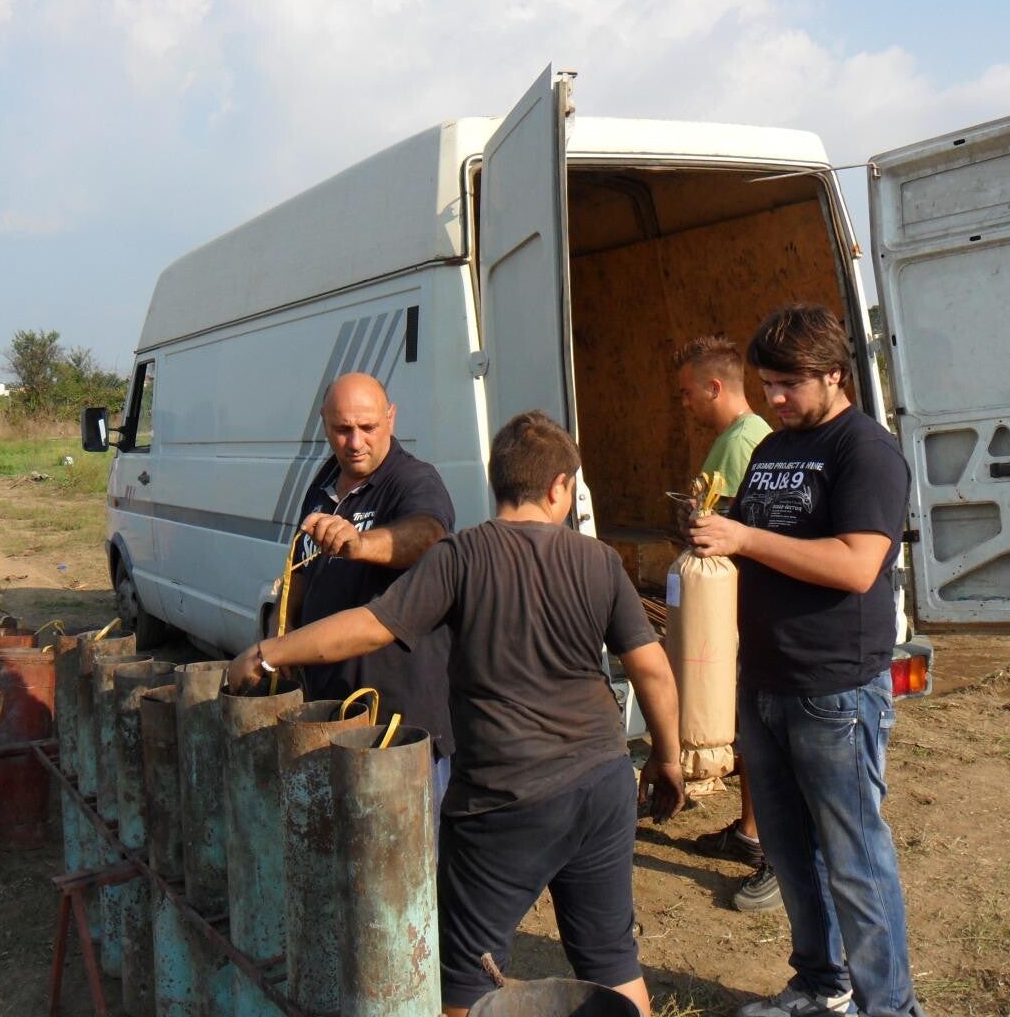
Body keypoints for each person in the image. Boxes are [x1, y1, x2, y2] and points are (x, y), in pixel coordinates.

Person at [229, 411, 686, 1017]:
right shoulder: (599, 561)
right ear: (559, 487)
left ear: (497, 480)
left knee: (464, 980)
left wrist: (270, 651)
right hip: (602, 784)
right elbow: (652, 670)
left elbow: (370, 627)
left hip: (506, 797)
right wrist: (668, 758)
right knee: (611, 961)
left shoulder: (462, 556)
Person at [688, 304, 923, 1017]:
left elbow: (856, 565)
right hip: (764, 679)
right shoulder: (772, 449)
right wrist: (712, 535)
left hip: (835, 689)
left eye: (789, 385)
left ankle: (890, 1007)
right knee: (790, 853)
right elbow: (755, 537)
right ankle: (822, 986)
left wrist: (745, 540)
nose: (775, 399)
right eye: (767, 385)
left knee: (855, 860)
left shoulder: (866, 452)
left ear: (833, 374)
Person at [285, 372, 458, 803]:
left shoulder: (414, 480)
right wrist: (283, 636)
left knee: (407, 841)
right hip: (333, 713)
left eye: (368, 427)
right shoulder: (323, 483)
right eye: (342, 429)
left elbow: (428, 534)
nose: (355, 442)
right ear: (324, 423)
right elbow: (301, 572)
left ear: (391, 418)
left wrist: (360, 543)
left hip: (399, 727)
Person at [672, 335, 779, 912]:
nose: (684, 403)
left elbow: (739, 534)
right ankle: (749, 833)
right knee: (747, 726)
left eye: (688, 392)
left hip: (735, 610)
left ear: (715, 387)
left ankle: (772, 851)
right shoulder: (739, 438)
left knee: (756, 731)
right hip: (734, 607)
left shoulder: (742, 444)